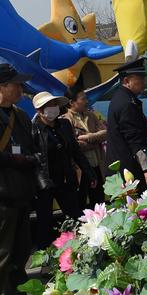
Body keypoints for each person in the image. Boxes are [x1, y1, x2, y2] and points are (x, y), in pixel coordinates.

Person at [0, 64, 39, 295]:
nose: (21, 89)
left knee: (20, 251)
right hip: (2, 194)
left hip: (22, 192)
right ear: (2, 87)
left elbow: (34, 147)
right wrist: (13, 158)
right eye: (16, 84)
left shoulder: (22, 117)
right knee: (1, 253)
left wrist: (30, 159)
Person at [32, 91, 96, 248]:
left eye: (54, 104)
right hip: (44, 184)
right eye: (48, 106)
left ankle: (83, 250)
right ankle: (46, 258)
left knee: (76, 216)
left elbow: (76, 151)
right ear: (40, 110)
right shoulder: (33, 129)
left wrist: (89, 172)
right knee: (44, 223)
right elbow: (33, 158)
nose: (53, 108)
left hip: (66, 179)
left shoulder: (64, 125)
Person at [106, 58, 147, 189]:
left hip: (124, 167)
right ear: (127, 81)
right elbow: (134, 139)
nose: (144, 82)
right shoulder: (127, 103)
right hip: (128, 169)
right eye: (140, 78)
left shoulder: (122, 98)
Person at [64, 87, 107, 207]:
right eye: (83, 99)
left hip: (96, 165)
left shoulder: (91, 116)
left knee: (98, 201)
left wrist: (88, 137)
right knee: (80, 202)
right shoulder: (66, 119)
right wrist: (95, 142)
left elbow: (105, 133)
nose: (87, 101)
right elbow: (74, 146)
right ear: (72, 102)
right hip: (80, 169)